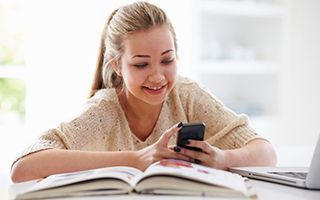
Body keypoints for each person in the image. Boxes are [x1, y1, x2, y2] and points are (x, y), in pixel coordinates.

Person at [11, 1, 276, 183]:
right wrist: (138, 158)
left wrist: (223, 158)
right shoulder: (104, 110)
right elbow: (23, 167)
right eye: (141, 64)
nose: (157, 76)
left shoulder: (186, 94)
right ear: (116, 66)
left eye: (167, 60)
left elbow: (266, 153)